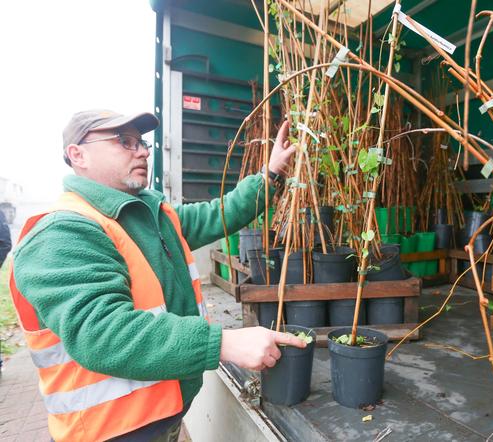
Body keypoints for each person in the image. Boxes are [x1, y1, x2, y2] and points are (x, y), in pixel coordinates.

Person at [9, 109, 303, 441]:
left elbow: (219, 214)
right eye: (124, 141)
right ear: (78, 155)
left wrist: (271, 173)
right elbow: (102, 332)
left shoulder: (152, 215)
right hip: (110, 431)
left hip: (161, 415)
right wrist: (221, 343)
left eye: (142, 142)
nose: (143, 151)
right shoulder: (62, 231)